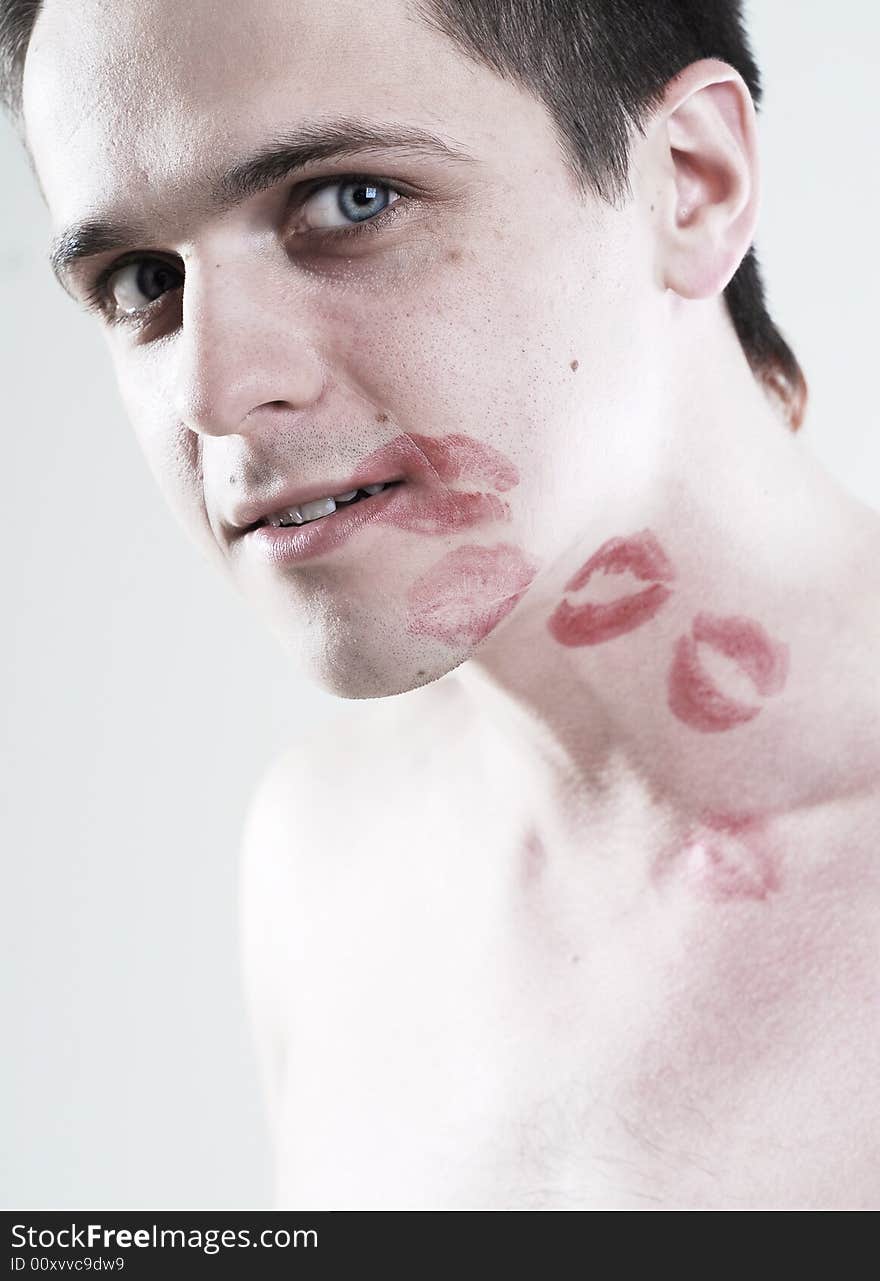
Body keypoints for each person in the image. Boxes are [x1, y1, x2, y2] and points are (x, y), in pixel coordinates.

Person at [4, 0, 878, 1210]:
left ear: (688, 180)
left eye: (348, 201)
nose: (211, 387)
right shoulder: (324, 861)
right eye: (141, 280)